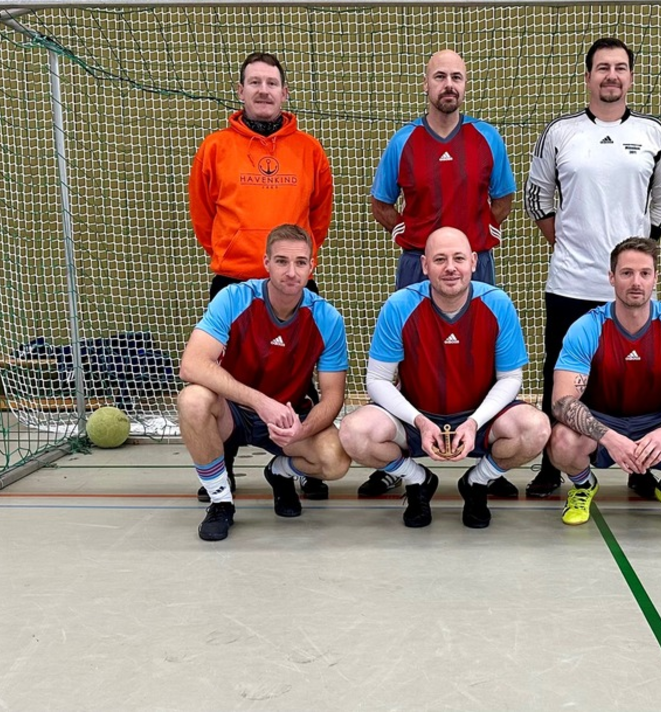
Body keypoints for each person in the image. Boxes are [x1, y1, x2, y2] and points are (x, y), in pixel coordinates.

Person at [524, 38, 661, 500]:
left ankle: (641, 465)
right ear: (588, 76)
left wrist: (636, 257)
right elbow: (538, 197)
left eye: (620, 67)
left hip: (631, 288)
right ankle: (553, 465)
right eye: (602, 67)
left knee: (642, 377)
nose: (611, 75)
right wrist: (569, 243)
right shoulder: (561, 132)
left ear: (631, 76)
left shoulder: (653, 133)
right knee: (560, 374)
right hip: (571, 281)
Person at [363, 48, 519, 500]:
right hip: (417, 263)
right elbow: (381, 202)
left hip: (475, 265)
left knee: (482, 357)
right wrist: (406, 233)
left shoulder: (487, 138)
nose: (449, 85)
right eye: (440, 77)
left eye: (456, 77)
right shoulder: (404, 141)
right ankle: (398, 464)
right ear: (426, 84)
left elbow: (504, 197)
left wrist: (479, 236)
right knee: (404, 360)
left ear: (464, 85)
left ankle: (489, 461)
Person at [188, 52, 334, 503]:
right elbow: (202, 213)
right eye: (255, 82)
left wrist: (292, 264)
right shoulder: (215, 147)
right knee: (222, 377)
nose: (263, 90)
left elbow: (319, 216)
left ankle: (299, 462)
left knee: (299, 375)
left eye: (271, 83)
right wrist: (232, 253)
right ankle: (222, 468)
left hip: (291, 283)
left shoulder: (308, 149)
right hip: (234, 281)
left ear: (284, 93)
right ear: (241, 91)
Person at [339, 227, 549, 529]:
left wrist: (474, 422)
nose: (450, 267)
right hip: (415, 419)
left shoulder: (498, 303)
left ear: (473, 262)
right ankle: (418, 480)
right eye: (440, 259)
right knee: (353, 432)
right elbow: (377, 380)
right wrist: (420, 422)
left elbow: (510, 378)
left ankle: (477, 482)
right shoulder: (399, 305)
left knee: (536, 428)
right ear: (425, 265)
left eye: (458, 258)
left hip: (479, 420)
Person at [177, 224, 351, 542]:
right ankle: (221, 502)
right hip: (234, 413)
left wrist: (302, 431)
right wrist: (260, 402)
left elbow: (332, 398)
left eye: (300, 262)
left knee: (335, 459)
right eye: (281, 261)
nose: (291, 272)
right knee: (192, 400)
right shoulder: (234, 298)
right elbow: (192, 364)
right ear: (266, 262)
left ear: (312, 267)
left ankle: (280, 472)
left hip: (288, 418)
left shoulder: (328, 318)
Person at [548, 238, 661, 529]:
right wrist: (609, 438)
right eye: (627, 273)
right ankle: (583, 485)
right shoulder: (588, 327)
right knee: (561, 441)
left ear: (656, 278)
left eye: (645, 273)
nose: (636, 282)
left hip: (655, 421)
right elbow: (562, 402)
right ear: (611, 277)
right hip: (602, 421)